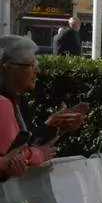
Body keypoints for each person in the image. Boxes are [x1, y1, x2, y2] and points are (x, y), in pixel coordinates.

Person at [0, 35, 87, 176]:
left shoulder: (17, 101)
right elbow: (13, 156)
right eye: (31, 64)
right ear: (9, 67)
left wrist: (55, 126)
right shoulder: (4, 103)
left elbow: (24, 145)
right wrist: (36, 155)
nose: (37, 71)